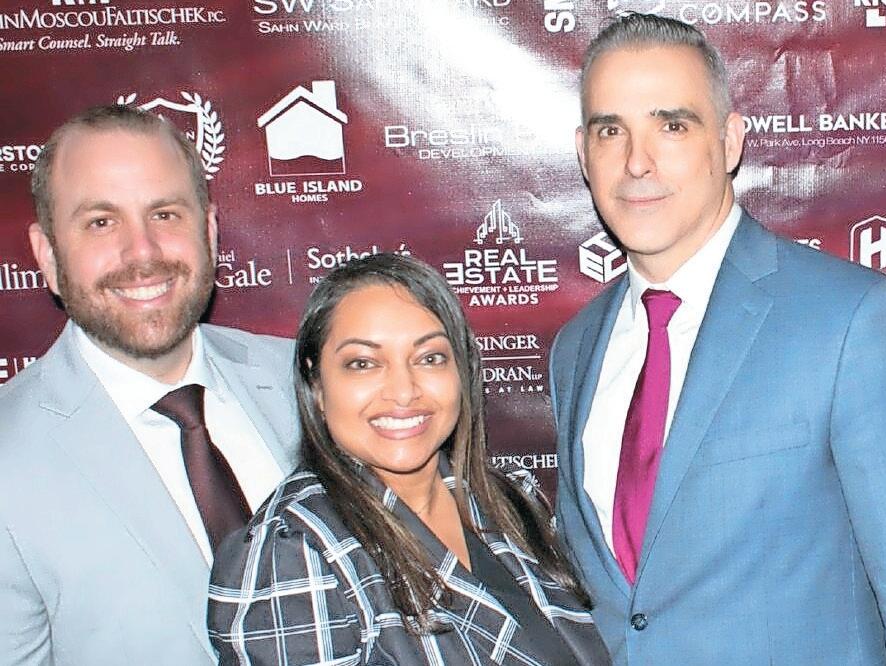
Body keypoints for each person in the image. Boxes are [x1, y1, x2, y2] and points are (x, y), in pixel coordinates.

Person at [550, 12, 886, 665]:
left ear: (729, 142)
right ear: (584, 153)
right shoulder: (575, 350)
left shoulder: (852, 320)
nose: (637, 162)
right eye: (612, 131)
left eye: (672, 126)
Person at [0, 104, 299, 665]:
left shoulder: (309, 383)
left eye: (164, 214)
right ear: (48, 255)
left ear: (209, 230)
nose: (142, 252)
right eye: (101, 222)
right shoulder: (7, 457)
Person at [207, 253, 610, 665]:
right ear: (317, 385)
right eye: (363, 364)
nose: (403, 391)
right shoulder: (294, 551)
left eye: (429, 358)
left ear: (462, 371)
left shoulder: (509, 502)